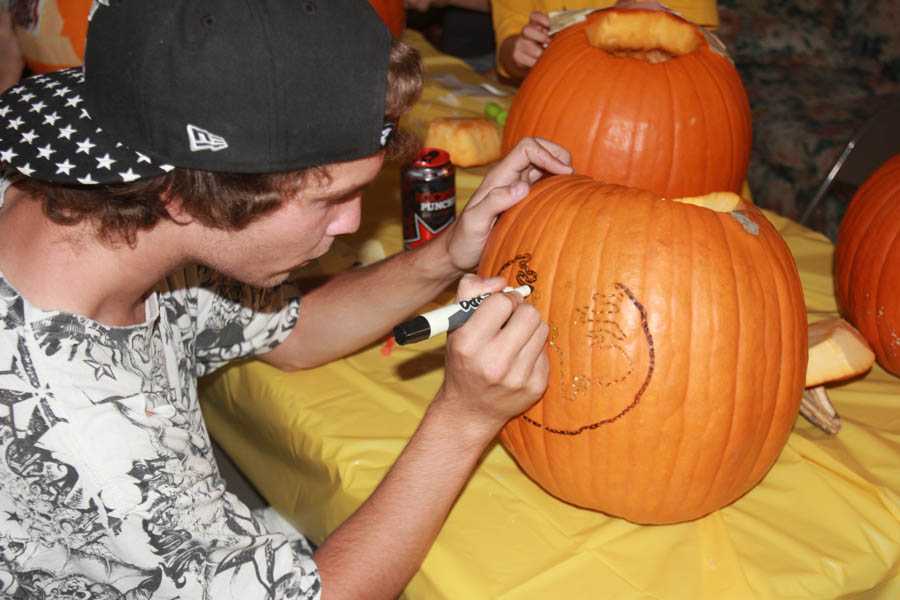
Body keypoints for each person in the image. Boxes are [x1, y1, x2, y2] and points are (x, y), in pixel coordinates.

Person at [0, 0, 572, 598]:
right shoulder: (89, 440)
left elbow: (291, 333)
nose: (353, 224)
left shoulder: (105, 221)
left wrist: (447, 253)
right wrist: (464, 418)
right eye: (329, 200)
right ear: (186, 196)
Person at [493, 0, 720, 84]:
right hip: (565, 115)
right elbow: (508, 50)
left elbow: (704, 52)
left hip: (672, 117)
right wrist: (520, 52)